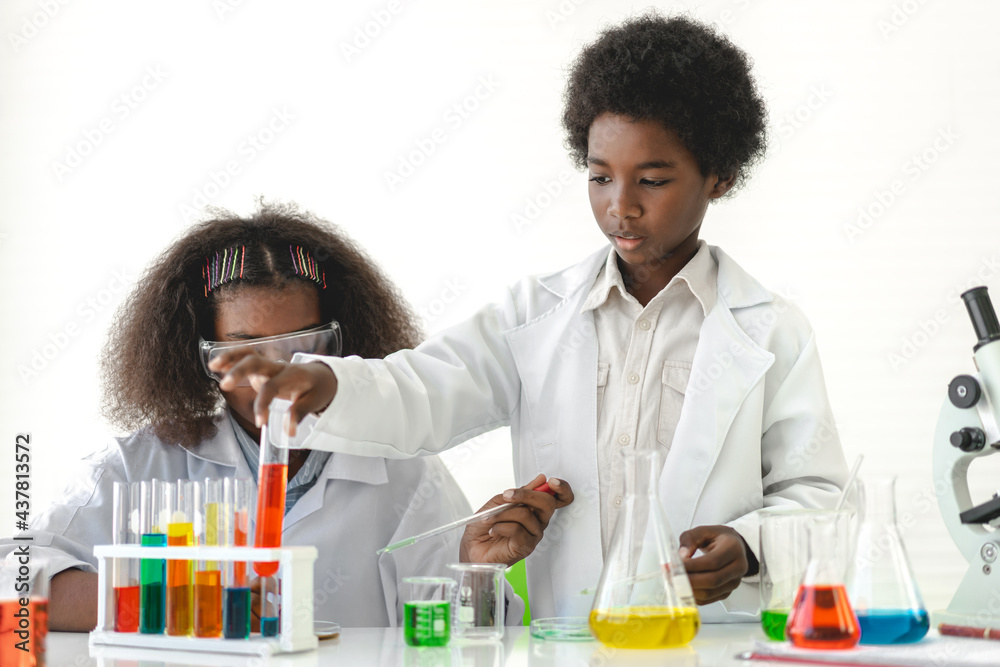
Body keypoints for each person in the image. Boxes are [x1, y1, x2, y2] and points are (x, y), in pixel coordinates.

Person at [212, 14, 849, 622]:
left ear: (720, 176)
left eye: (652, 181)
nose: (620, 206)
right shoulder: (534, 316)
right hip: (566, 641)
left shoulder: (769, 330)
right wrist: (326, 382)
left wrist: (749, 546)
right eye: (600, 177)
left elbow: (821, 498)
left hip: (707, 642)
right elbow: (421, 389)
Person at [0, 202, 571, 631]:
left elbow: (463, 641)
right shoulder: (138, 466)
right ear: (199, 355)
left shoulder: (403, 470)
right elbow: (14, 582)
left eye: (301, 347)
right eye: (244, 351)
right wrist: (175, 602)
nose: (272, 375)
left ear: (341, 344)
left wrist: (474, 571)